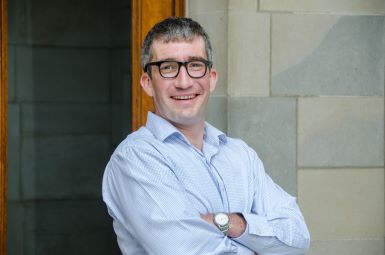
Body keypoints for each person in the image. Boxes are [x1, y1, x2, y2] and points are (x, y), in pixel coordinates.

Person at [102, 17, 310, 255]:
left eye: (195, 66)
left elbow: (298, 238)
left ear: (211, 79)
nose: (184, 82)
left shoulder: (240, 155)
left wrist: (225, 222)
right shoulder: (136, 158)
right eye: (168, 68)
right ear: (147, 83)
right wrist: (259, 244)